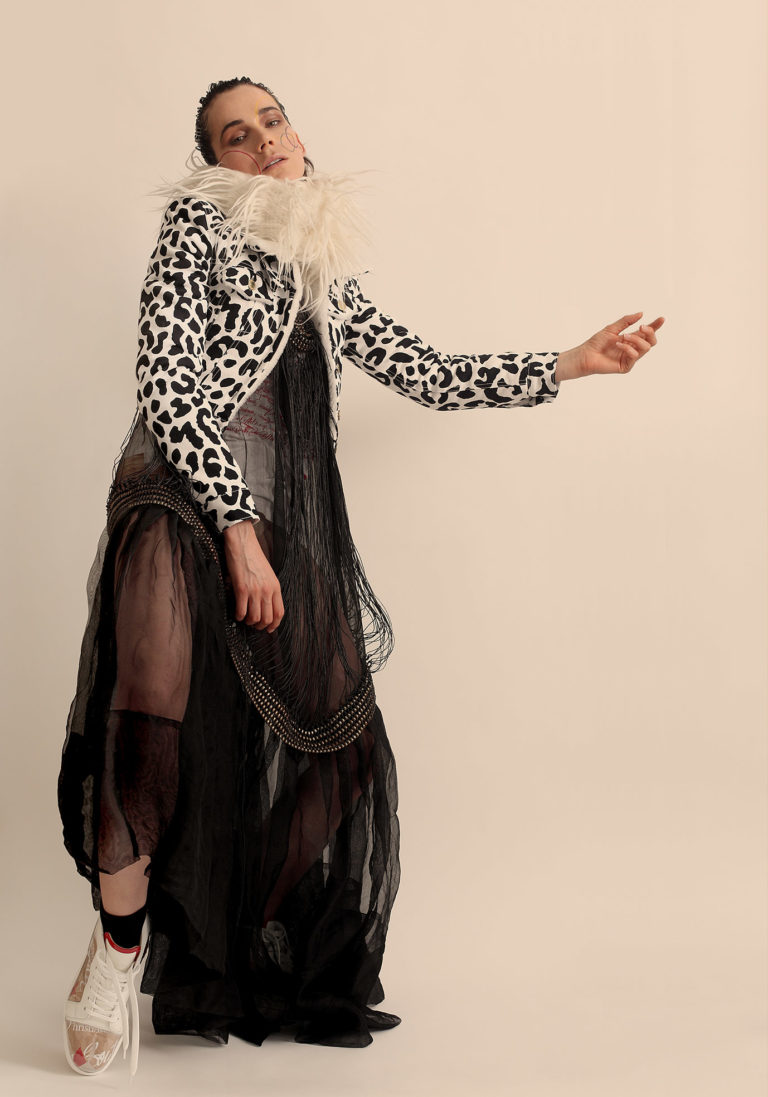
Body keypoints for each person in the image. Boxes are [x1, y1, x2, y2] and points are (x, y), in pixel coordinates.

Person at [57, 76, 665, 1077]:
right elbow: (167, 379)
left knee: (342, 750)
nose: (263, 140)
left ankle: (217, 918)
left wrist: (567, 362)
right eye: (235, 135)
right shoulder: (195, 228)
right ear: (215, 164)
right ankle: (119, 948)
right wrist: (234, 523)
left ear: (297, 133)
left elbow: (421, 368)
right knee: (148, 711)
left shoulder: (320, 264)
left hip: (287, 524)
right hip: (179, 497)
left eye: (273, 120)